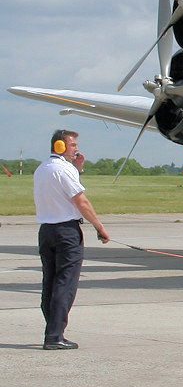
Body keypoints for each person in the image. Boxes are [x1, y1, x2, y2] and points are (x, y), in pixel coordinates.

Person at [33, 129, 109, 350]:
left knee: (50, 282)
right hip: (66, 232)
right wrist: (100, 227)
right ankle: (55, 336)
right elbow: (81, 202)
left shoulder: (42, 169)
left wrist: (78, 169)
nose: (76, 148)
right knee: (65, 284)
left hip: (46, 231)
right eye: (73, 145)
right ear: (59, 146)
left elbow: (60, 190)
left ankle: (52, 329)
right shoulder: (64, 170)